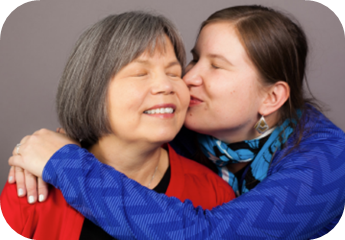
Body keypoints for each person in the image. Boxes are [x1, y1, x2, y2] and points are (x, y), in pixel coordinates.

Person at [6, 4, 345, 240]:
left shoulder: (328, 165)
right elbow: (112, 110)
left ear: (271, 98)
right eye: (195, 59)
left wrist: (64, 162)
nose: (186, 78)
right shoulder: (188, 125)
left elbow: (210, 236)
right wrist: (40, 149)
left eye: (216, 66)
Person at [0, 12, 236, 240]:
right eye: (141, 73)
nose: (166, 85)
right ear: (91, 91)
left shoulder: (215, 193)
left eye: (174, 73)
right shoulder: (30, 190)